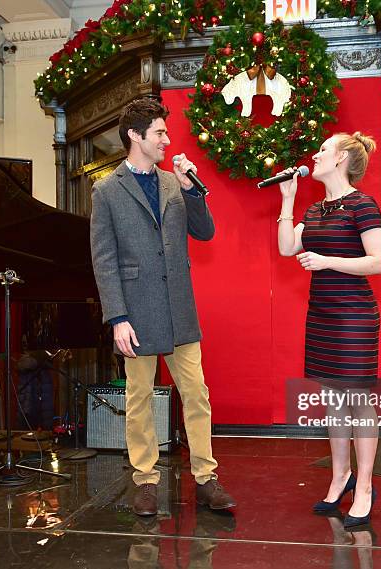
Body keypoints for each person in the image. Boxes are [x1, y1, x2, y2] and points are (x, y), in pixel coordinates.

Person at [90, 96, 236, 516]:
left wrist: (193, 190)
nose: (167, 140)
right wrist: (117, 317)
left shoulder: (174, 182)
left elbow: (205, 232)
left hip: (179, 308)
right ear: (135, 136)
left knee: (197, 394)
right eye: (160, 133)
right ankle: (145, 481)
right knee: (139, 399)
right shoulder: (107, 190)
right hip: (135, 312)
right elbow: (104, 259)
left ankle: (206, 479)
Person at [277, 132, 381, 529]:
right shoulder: (316, 208)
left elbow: (379, 262)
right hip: (322, 315)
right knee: (333, 400)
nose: (315, 155)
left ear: (341, 158)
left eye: (323, 150)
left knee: (358, 401)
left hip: (354, 316)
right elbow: (287, 248)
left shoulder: (363, 204)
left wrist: (327, 261)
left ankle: (365, 485)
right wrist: (288, 200)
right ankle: (341, 477)